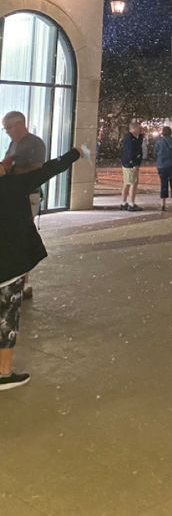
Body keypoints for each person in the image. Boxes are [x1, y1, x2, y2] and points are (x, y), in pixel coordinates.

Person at [0, 146, 84, 389]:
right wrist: (74, 153)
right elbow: (50, 169)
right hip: (9, 264)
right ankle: (3, 373)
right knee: (7, 317)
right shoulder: (14, 185)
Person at [2, 111, 48, 301]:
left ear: (20, 124)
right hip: (16, 195)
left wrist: (8, 169)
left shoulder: (34, 143)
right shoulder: (15, 143)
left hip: (28, 196)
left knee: (21, 235)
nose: (8, 133)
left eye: (9, 128)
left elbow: (36, 170)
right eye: (5, 129)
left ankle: (21, 283)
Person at [154, 126, 172, 212]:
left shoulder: (158, 142)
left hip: (161, 165)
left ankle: (163, 203)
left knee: (163, 184)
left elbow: (155, 154)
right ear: (171, 132)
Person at [120, 121, 144, 211]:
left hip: (127, 163)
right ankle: (131, 203)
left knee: (127, 183)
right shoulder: (130, 139)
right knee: (133, 183)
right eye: (138, 128)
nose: (140, 130)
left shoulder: (130, 138)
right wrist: (134, 164)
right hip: (130, 164)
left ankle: (124, 202)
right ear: (133, 128)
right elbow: (130, 152)